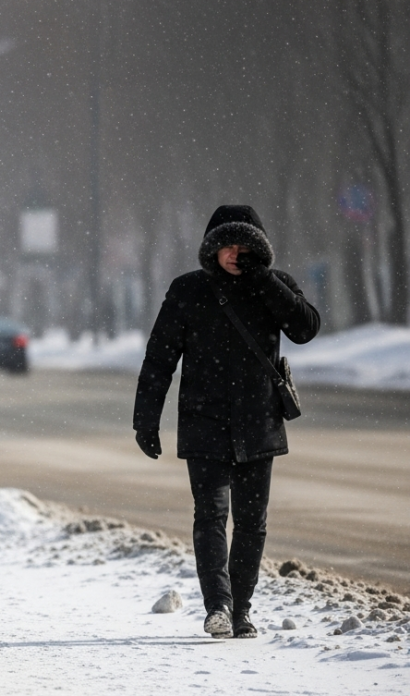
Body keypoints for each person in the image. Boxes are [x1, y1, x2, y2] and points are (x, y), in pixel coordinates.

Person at [133, 205, 320, 640]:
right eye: (227, 245)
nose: (236, 253)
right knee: (211, 516)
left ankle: (242, 610)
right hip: (204, 421)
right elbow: (159, 359)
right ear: (212, 248)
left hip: (260, 423)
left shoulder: (274, 288)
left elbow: (305, 328)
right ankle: (218, 606)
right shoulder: (188, 290)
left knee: (253, 522)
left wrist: (265, 280)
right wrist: (146, 420)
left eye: (246, 246)